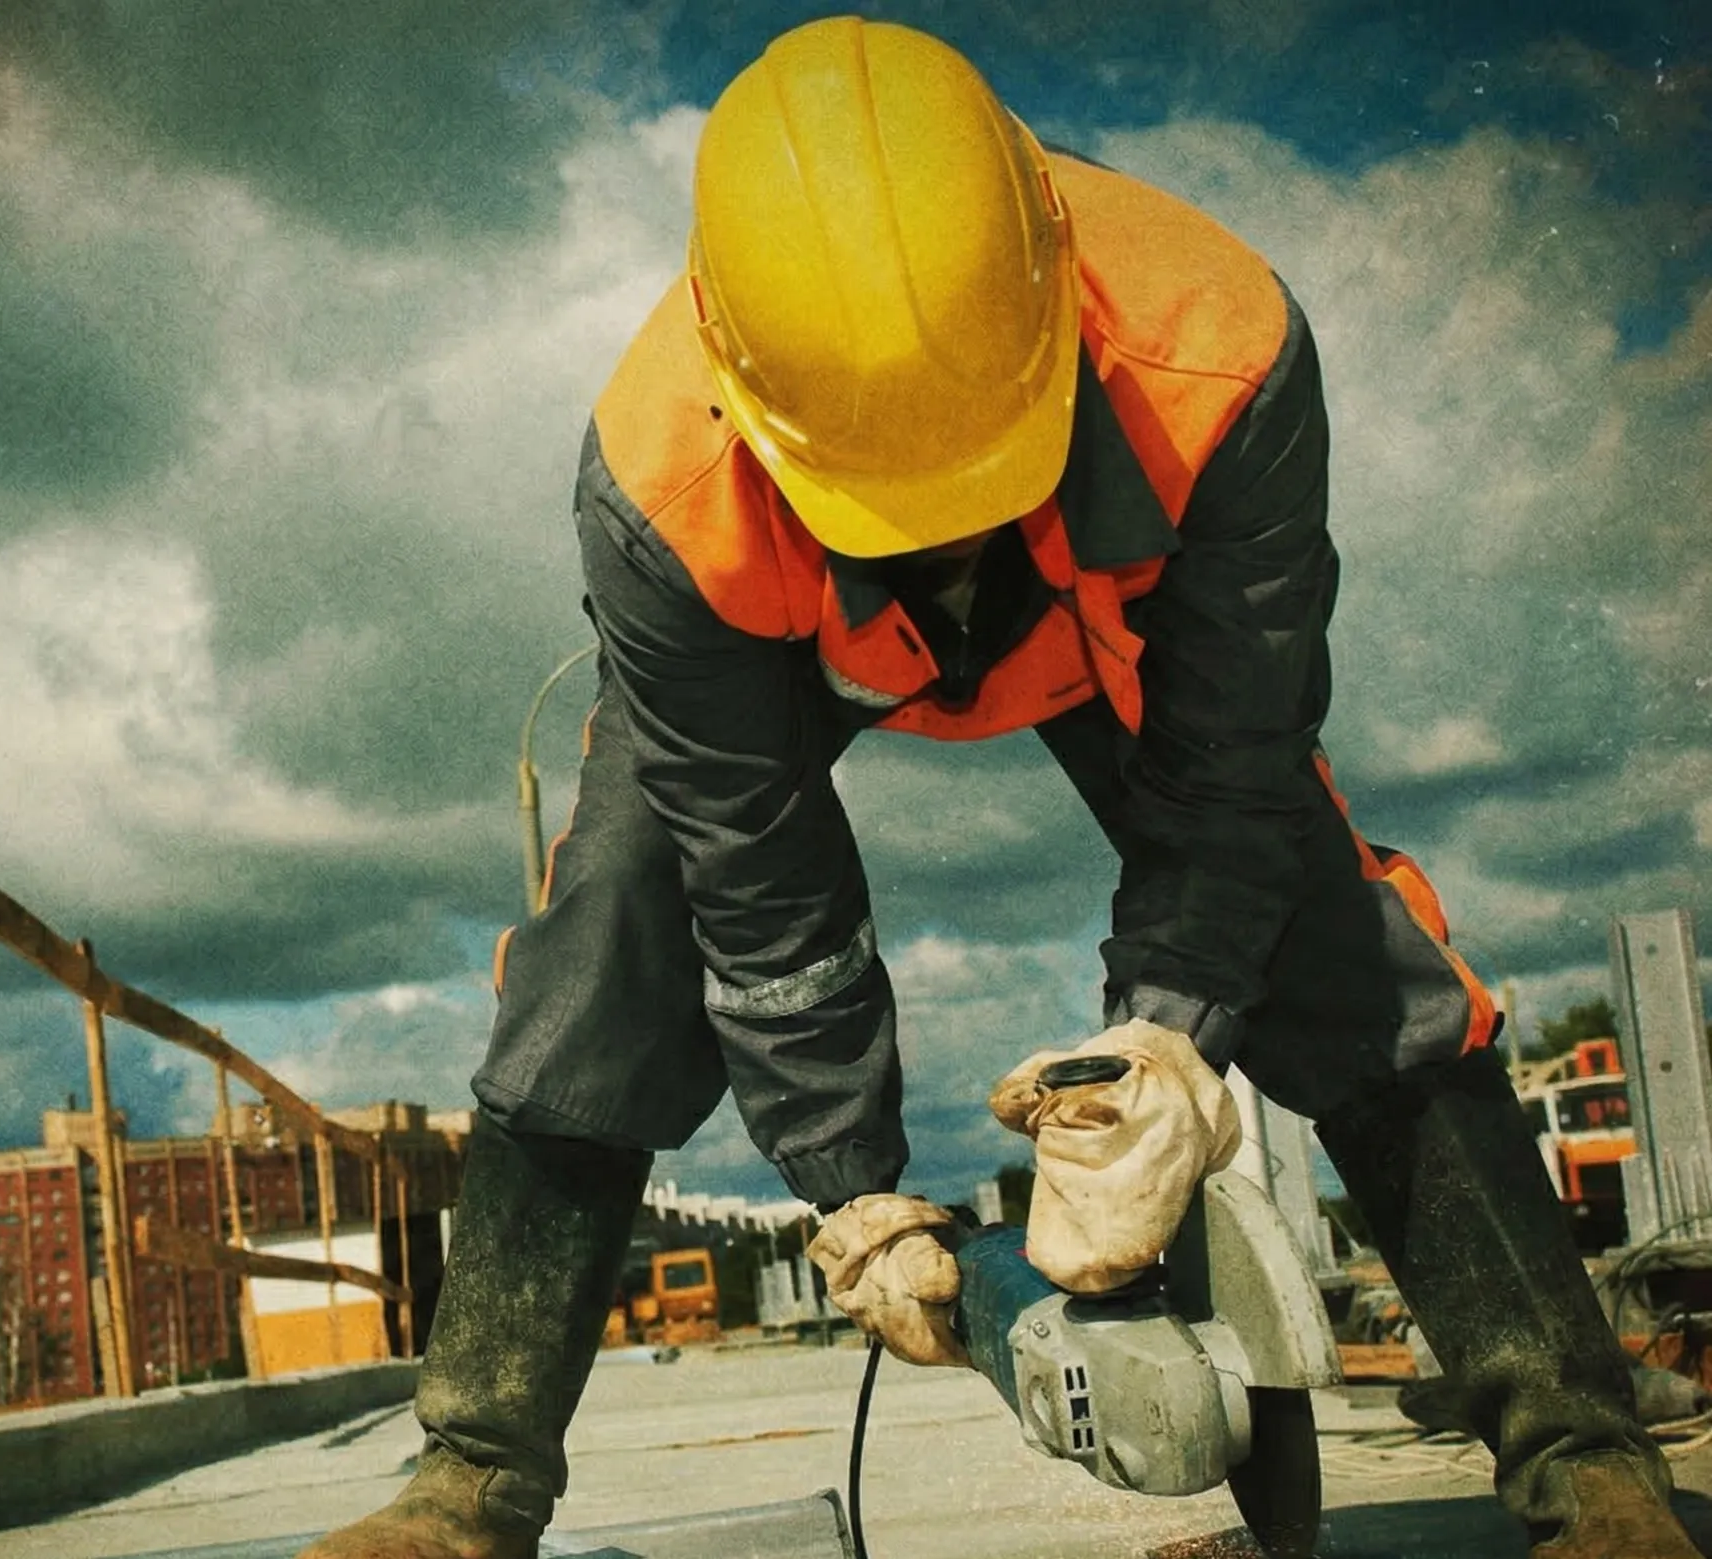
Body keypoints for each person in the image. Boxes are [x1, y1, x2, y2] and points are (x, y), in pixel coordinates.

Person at [300, 18, 1698, 1559]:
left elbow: (1227, 779)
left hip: (1110, 621)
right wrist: (851, 1188)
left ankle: (1584, 1457)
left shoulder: (1217, 351)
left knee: (1335, 932)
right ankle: (469, 1479)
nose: (946, 545)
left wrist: (1163, 1047)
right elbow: (760, 887)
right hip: (778, 635)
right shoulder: (659, 488)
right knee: (613, 929)